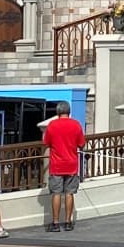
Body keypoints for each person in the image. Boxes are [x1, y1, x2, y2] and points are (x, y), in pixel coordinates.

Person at [43, 99, 86, 232]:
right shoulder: (76, 125)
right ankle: (68, 222)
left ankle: (55, 223)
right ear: (69, 111)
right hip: (71, 164)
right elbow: (81, 144)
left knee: (56, 193)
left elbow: (46, 143)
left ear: (58, 112)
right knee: (69, 193)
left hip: (57, 164)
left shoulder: (52, 125)